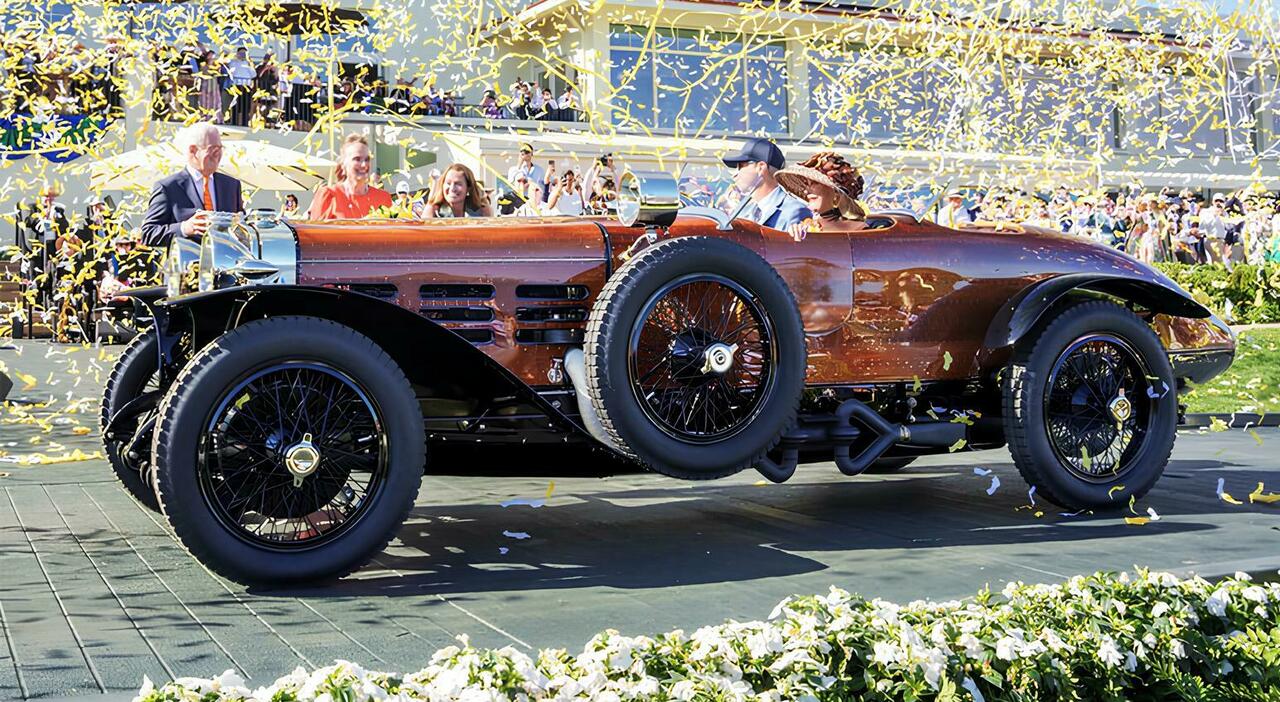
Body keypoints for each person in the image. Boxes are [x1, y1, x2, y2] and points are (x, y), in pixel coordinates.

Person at [141, 122, 244, 248]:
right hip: (188, 265)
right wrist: (184, 228)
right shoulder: (168, 188)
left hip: (226, 264)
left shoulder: (231, 185)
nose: (218, 155)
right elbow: (148, 234)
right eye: (213, 149)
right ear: (193, 150)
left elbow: (241, 227)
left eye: (220, 149)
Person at [721, 136, 812, 231]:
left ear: (761, 167)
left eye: (741, 166)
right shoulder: (742, 212)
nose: (735, 175)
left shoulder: (794, 211)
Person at [774, 152, 866, 241]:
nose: (806, 191)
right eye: (807, 184)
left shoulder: (859, 231)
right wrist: (792, 238)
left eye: (815, 183)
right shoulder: (804, 229)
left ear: (836, 195)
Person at [307, 134, 393, 219]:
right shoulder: (328, 195)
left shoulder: (383, 198)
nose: (364, 164)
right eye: (357, 159)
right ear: (344, 164)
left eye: (367, 159)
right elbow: (315, 231)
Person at [425, 164, 493, 218]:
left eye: (458, 184)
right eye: (448, 183)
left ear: (468, 188)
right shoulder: (434, 211)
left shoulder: (482, 211)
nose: (452, 188)